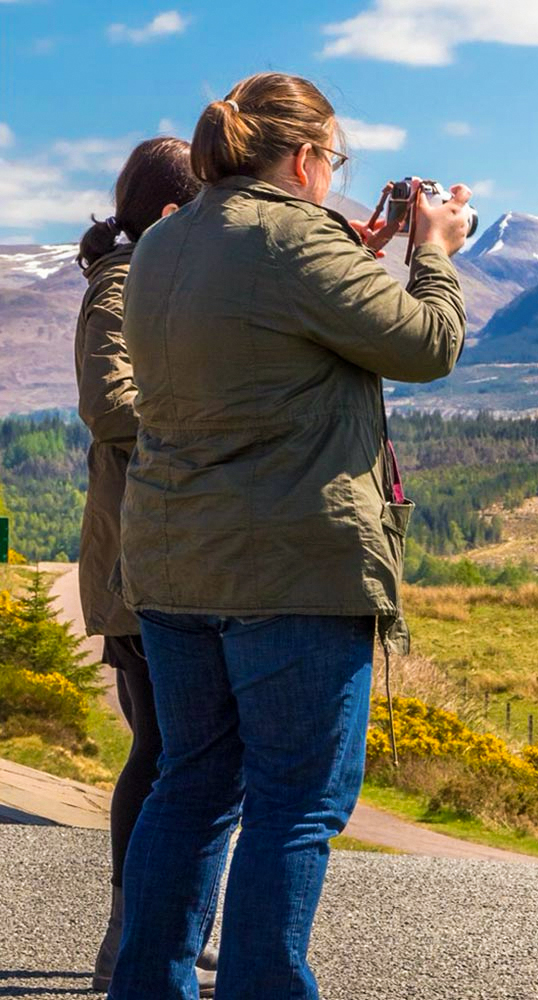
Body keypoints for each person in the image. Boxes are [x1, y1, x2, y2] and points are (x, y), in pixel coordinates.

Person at [108, 72, 472, 1000]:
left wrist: (356, 250)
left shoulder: (159, 245)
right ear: (307, 159)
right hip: (292, 571)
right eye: (334, 161)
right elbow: (426, 346)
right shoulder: (296, 239)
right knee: (295, 808)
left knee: (189, 787)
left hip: (173, 563)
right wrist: (433, 251)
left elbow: (252, 317)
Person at [72, 137, 220, 996]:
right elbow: (108, 405)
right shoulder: (121, 285)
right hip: (137, 559)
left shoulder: (151, 275)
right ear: (172, 214)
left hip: (168, 548)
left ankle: (171, 926)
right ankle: (133, 937)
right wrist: (217, 412)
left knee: (179, 749)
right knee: (163, 749)